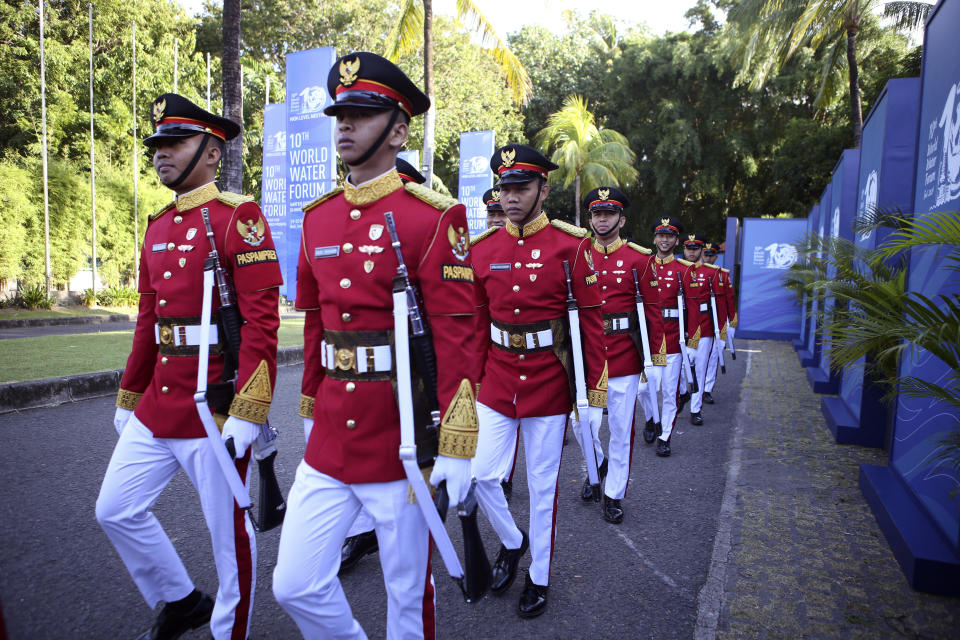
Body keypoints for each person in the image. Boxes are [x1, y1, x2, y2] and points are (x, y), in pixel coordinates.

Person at [272, 51, 480, 639]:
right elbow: (314, 326)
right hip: (333, 436)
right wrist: (310, 407)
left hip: (404, 436)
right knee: (295, 582)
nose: (343, 124)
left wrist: (458, 442)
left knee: (407, 598)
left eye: (361, 114)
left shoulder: (433, 218)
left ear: (398, 129)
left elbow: (457, 337)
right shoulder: (318, 219)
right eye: (340, 113)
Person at [96, 93, 282, 640]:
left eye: (174, 143)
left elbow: (261, 326)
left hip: (216, 403)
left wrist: (250, 409)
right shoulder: (156, 227)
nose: (161, 154)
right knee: (115, 509)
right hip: (160, 401)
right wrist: (129, 396)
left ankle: (230, 631)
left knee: (229, 541)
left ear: (211, 150)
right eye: (156, 145)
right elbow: (147, 324)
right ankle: (179, 600)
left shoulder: (237, 218)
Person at [470, 144, 606, 618]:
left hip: (549, 381)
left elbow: (591, 325)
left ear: (543, 188)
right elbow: (474, 326)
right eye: (504, 188)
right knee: (481, 475)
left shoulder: (572, 247)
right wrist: (468, 387)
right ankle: (512, 540)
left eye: (520, 187)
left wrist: (593, 393)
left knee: (543, 487)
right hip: (496, 377)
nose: (510, 197)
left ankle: (539, 575)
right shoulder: (482, 249)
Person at [337, 155, 430, 575]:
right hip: (363, 380)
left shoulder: (427, 229)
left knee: (449, 481)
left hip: (417, 378)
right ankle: (362, 534)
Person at [573, 186, 661, 523]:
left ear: (621, 219)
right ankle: (597, 465)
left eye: (609, 213)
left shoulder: (640, 259)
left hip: (624, 356)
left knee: (621, 430)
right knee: (582, 425)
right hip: (589, 357)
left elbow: (652, 313)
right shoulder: (579, 253)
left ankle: (613, 493)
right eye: (597, 213)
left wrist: (654, 360)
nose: (602, 219)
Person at [638, 217, 693, 457]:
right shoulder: (644, 265)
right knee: (643, 390)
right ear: (654, 238)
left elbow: (693, 307)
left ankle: (665, 435)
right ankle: (651, 418)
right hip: (648, 341)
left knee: (670, 392)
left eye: (669, 236)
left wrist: (692, 343)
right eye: (661, 235)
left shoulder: (684, 270)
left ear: (676, 240)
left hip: (672, 340)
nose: (664, 239)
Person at [680, 234, 727, 425]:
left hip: (703, 327)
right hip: (679, 325)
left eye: (695, 249)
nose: (692, 252)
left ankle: (695, 408)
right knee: (681, 370)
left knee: (699, 369)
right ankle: (683, 393)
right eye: (689, 248)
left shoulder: (711, 273)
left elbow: (720, 304)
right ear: (684, 249)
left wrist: (722, 331)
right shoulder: (676, 270)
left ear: (700, 251)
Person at [701, 241, 731, 404]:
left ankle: (707, 388)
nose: (708, 257)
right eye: (706, 254)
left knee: (713, 356)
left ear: (716, 257)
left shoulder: (723, 275)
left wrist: (729, 324)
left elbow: (728, 300)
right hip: (698, 320)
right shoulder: (692, 272)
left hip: (717, 320)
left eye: (711, 255)